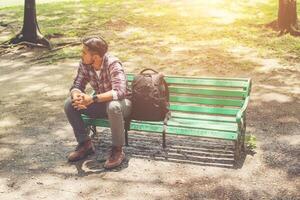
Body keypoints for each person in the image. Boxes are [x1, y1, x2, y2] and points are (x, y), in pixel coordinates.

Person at [64, 36, 131, 169]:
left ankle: (117, 150)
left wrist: (93, 99)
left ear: (95, 57)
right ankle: (85, 144)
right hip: (102, 104)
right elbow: (77, 84)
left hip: (122, 104)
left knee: (113, 106)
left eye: (84, 52)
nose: (81, 55)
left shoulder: (113, 63)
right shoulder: (85, 64)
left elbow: (120, 92)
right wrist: (77, 96)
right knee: (69, 104)